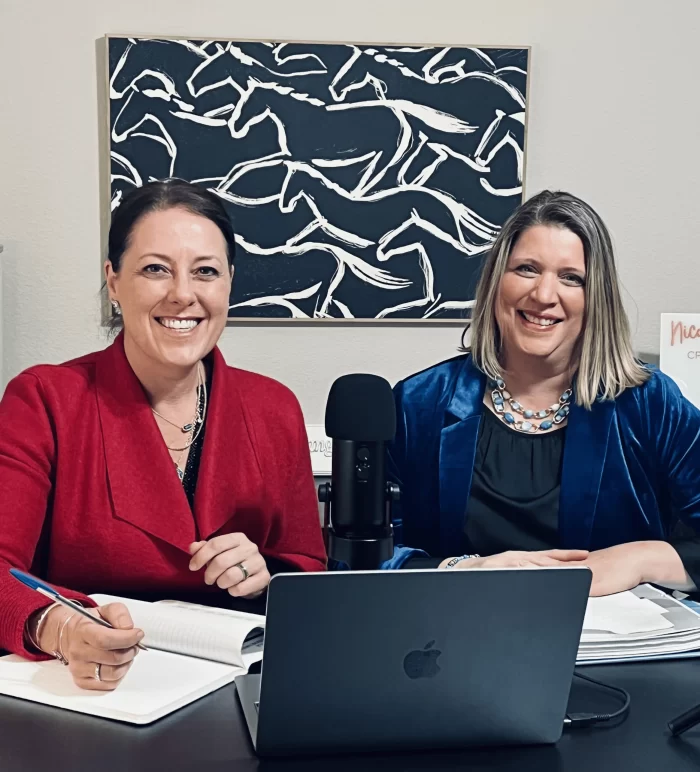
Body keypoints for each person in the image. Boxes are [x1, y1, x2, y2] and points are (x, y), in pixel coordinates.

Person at [0, 180, 326, 690]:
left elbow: (308, 574)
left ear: (229, 282)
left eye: (205, 272)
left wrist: (265, 576)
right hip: (89, 685)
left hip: (240, 684)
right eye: (155, 269)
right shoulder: (45, 398)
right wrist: (59, 628)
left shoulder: (274, 406)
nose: (182, 294)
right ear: (113, 281)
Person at [383, 190, 700, 597]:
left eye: (571, 278)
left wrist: (642, 559)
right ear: (496, 281)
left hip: (608, 636)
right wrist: (462, 568)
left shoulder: (649, 402)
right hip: (455, 631)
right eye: (527, 269)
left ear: (596, 297)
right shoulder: (418, 402)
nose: (544, 295)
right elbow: (360, 557)